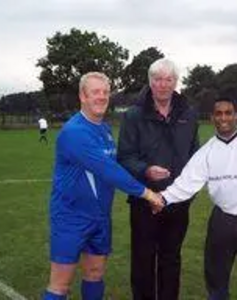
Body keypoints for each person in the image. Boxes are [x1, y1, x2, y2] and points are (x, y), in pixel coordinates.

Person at [42, 72, 164, 300]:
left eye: (105, 92)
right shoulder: (74, 132)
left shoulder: (105, 130)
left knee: (95, 274)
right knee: (60, 285)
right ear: (83, 96)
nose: (101, 97)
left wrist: (146, 170)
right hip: (71, 218)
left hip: (99, 217)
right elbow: (107, 170)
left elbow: (115, 166)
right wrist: (148, 194)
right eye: (95, 92)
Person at [160, 96, 237, 299]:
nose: (223, 118)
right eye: (218, 113)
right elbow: (186, 183)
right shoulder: (207, 151)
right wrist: (162, 199)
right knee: (216, 281)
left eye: (228, 113)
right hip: (221, 222)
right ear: (212, 117)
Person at [117, 58, 199, 300]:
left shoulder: (189, 114)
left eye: (168, 79)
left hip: (178, 201)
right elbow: (125, 157)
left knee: (171, 259)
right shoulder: (134, 115)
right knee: (142, 260)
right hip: (144, 201)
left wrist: (188, 193)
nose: (163, 84)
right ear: (150, 82)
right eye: (157, 79)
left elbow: (196, 158)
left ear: (176, 82)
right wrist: (145, 170)